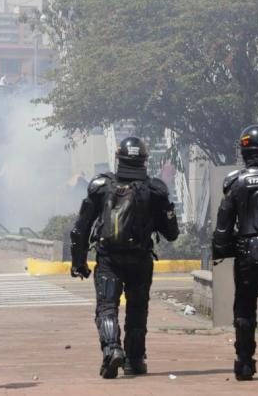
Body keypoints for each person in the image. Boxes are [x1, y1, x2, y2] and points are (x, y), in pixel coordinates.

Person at [70, 137, 179, 379]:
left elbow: (80, 229)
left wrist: (78, 262)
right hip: (140, 259)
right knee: (138, 310)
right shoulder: (155, 189)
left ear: (119, 157)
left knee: (107, 308)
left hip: (109, 259)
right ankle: (135, 360)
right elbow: (171, 233)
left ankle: (111, 350)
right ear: (144, 159)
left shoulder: (100, 186)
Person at [212, 125, 258, 383]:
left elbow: (223, 226)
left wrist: (221, 250)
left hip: (247, 256)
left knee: (244, 310)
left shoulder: (236, 182)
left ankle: (244, 363)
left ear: (245, 149)